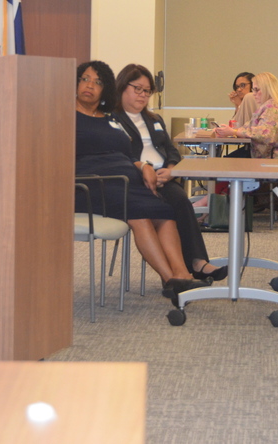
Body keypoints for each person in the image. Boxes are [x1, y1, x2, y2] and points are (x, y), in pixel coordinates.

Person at [74, 61, 210, 303]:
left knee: (164, 211)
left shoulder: (108, 119)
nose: (90, 86)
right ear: (75, 82)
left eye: (98, 82)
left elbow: (126, 154)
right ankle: (171, 279)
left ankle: (182, 274)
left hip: (124, 181)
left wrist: (143, 166)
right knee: (139, 214)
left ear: (105, 89)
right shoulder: (65, 115)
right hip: (91, 183)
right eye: (85, 79)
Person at [113, 64, 226, 281]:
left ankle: (197, 262)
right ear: (122, 86)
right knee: (170, 205)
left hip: (164, 177)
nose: (143, 95)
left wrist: (172, 169)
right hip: (135, 180)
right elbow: (117, 156)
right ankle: (186, 268)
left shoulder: (154, 119)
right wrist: (144, 170)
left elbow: (171, 150)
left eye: (147, 91)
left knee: (180, 199)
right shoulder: (112, 120)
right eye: (138, 89)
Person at [214, 72, 278, 169]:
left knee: (226, 164)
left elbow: (264, 134)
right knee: (230, 162)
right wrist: (228, 131)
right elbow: (250, 126)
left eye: (257, 90)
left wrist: (234, 132)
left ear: (267, 89)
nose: (254, 94)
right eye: (253, 90)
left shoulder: (273, 107)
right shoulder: (273, 105)